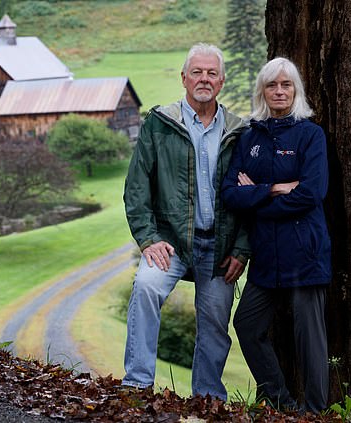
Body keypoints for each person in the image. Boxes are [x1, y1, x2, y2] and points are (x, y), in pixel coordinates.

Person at [122, 43, 250, 400]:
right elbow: (136, 189)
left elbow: (251, 200)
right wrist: (148, 239)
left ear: (222, 82)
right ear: (184, 78)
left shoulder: (240, 132)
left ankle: (207, 398)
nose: (204, 79)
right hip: (171, 242)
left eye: (211, 73)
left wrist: (241, 248)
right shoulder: (160, 124)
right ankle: (137, 385)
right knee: (146, 287)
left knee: (214, 324)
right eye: (197, 72)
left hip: (221, 246)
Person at [221, 57, 331, 413]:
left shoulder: (310, 135)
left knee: (308, 337)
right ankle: (280, 402)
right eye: (272, 85)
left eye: (286, 84)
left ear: (295, 90)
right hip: (266, 254)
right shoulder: (249, 137)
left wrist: (256, 196)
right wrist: (273, 189)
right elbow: (230, 193)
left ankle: (314, 412)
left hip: (305, 251)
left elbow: (311, 193)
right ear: (262, 91)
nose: (279, 91)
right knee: (246, 324)